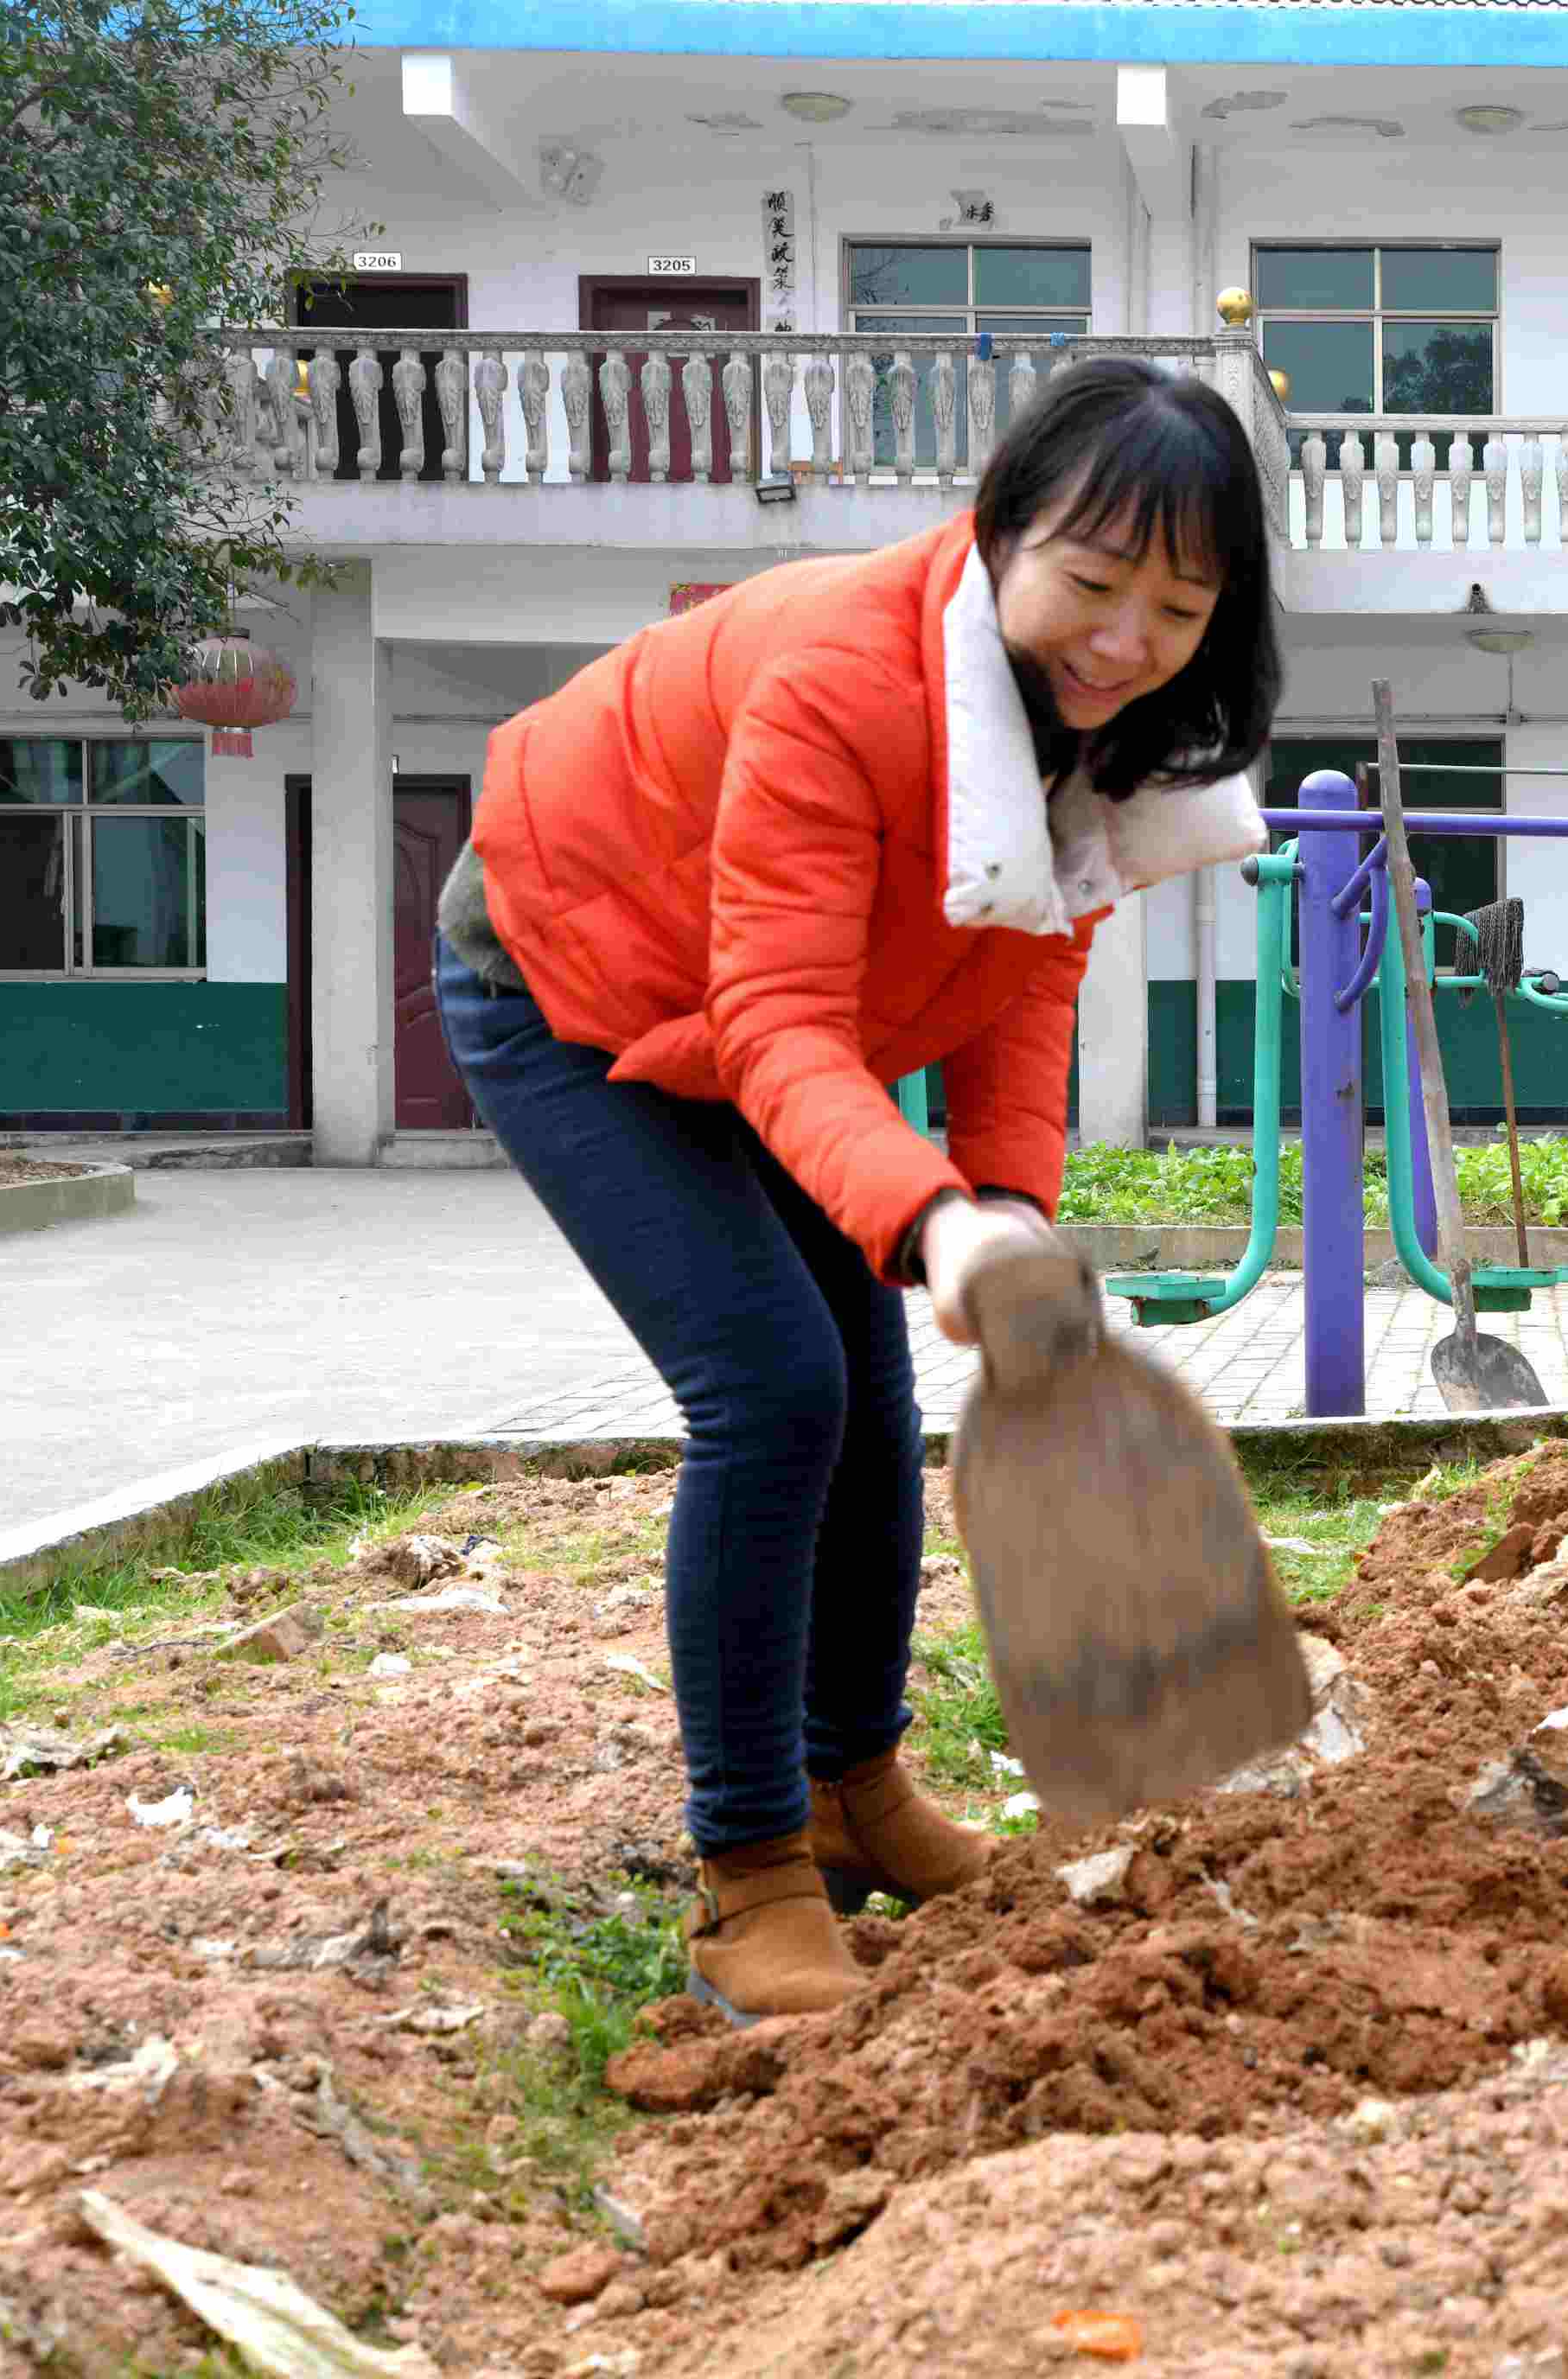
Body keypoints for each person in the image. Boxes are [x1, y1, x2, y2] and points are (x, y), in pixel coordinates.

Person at [433, 360, 1281, 2021]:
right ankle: (750, 1866)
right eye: (1092, 584)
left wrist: (1007, 1202)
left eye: (1178, 607)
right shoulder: (843, 677)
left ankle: (857, 1792)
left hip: (763, 1007)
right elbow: (771, 1023)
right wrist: (929, 1215)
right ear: (997, 535)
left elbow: (1025, 979)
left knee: (870, 1394)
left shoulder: (1124, 743)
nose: (1124, 641)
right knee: (772, 1385)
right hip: (569, 962)